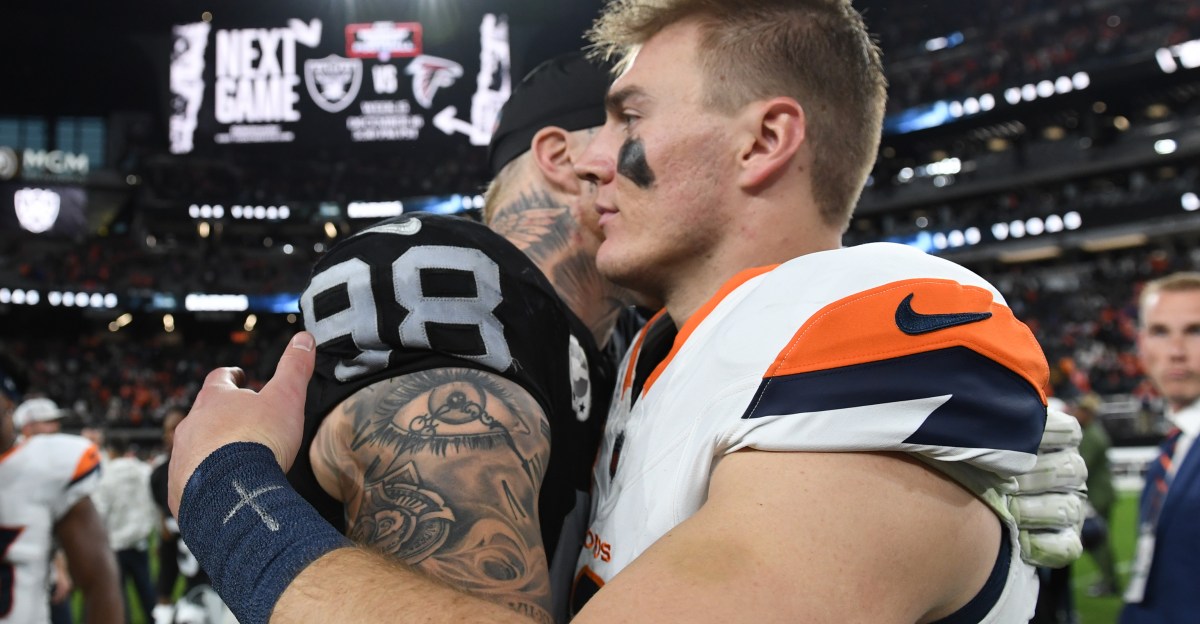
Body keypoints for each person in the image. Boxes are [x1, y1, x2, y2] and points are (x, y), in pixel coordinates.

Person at [168, 2, 1086, 622]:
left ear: (765, 140)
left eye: (630, 117)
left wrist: (225, 493)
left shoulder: (858, 322)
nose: (594, 161)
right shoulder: (652, 356)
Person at [0, 360, 124, 623]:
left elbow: (99, 581)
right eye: (46, 423)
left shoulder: (54, 464)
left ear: (9, 405)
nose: (53, 429)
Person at [1121, 272, 1200, 623]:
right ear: (1141, 344)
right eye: (1160, 332)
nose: (1177, 352)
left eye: (1195, 331)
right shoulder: (1173, 450)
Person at [93, 434, 159, 623]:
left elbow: (100, 512)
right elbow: (153, 503)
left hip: (115, 544)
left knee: (119, 597)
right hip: (140, 540)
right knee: (147, 592)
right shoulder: (143, 469)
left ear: (111, 451)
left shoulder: (105, 475)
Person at [1073, 392, 1119, 597]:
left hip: (1098, 496)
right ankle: (1109, 580)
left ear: (1088, 413)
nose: (1076, 413)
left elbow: (1082, 465)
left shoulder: (1092, 436)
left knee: (1098, 541)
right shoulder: (1092, 432)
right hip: (1101, 493)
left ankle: (1110, 583)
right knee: (1099, 540)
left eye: (1081, 410)